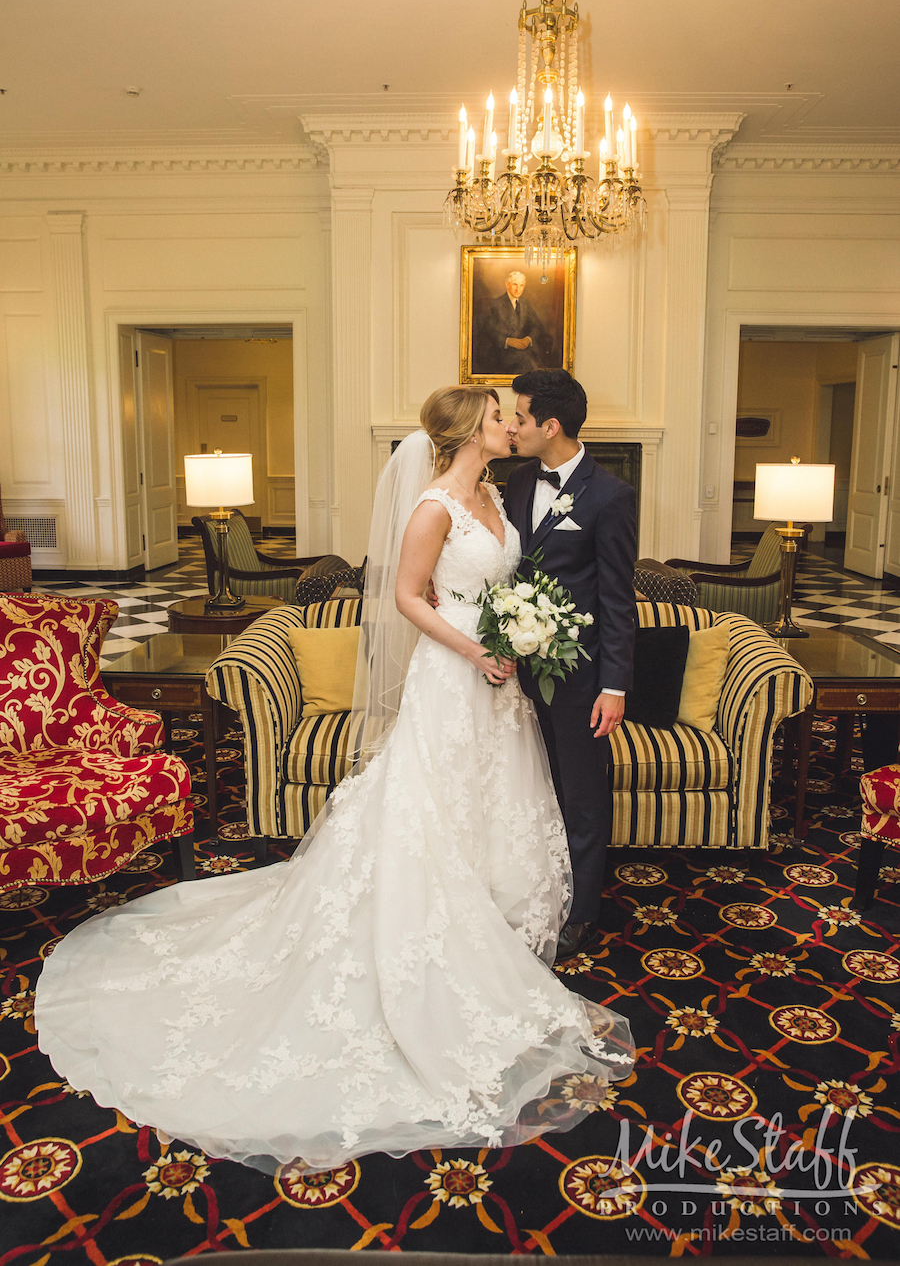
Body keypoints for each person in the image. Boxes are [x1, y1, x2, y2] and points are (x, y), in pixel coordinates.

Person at [35, 385, 633, 1174]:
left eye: (512, 415)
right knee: (431, 810)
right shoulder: (432, 507)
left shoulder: (498, 489)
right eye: (496, 416)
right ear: (465, 431)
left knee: (494, 806)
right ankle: (426, 939)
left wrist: (515, 634)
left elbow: (538, 581)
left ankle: (493, 921)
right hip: (455, 682)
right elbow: (405, 597)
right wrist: (475, 650)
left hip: (500, 689)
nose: (509, 423)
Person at [505, 371, 637, 960]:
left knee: (580, 792)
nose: (512, 426)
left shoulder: (609, 496)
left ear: (550, 426)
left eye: (521, 417)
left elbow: (616, 598)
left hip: (578, 676)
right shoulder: (513, 481)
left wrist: (613, 685)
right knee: (526, 788)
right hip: (511, 669)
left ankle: (582, 910)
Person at [482, 270, 552, 374]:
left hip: (524, 350)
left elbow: (537, 326)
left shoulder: (525, 303)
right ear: (507, 284)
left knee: (533, 362)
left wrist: (528, 339)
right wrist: (507, 341)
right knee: (527, 362)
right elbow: (487, 330)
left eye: (521, 285)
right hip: (502, 352)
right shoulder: (496, 304)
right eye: (515, 284)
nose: (518, 289)